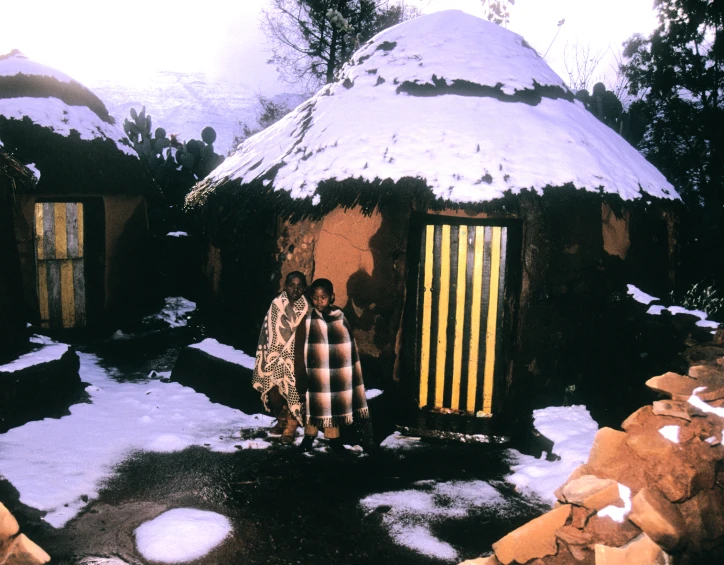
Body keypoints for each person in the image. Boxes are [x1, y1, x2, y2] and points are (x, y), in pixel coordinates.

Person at [294, 278, 374, 453]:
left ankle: (334, 438)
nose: (319, 301)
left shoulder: (340, 317)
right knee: (313, 406)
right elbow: (299, 347)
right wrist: (300, 374)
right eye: (314, 297)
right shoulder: (307, 319)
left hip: (337, 373)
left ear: (332, 297)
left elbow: (347, 347)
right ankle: (309, 437)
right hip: (316, 373)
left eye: (323, 297)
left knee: (334, 407)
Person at [252, 271, 309, 444]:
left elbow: (305, 336)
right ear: (285, 286)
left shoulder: (307, 308)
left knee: (295, 390)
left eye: (299, 286)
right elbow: (268, 331)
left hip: (298, 358)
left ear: (304, 288)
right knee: (275, 389)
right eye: (291, 285)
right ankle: (281, 419)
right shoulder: (276, 305)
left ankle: (291, 427)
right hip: (275, 356)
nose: (295, 289)